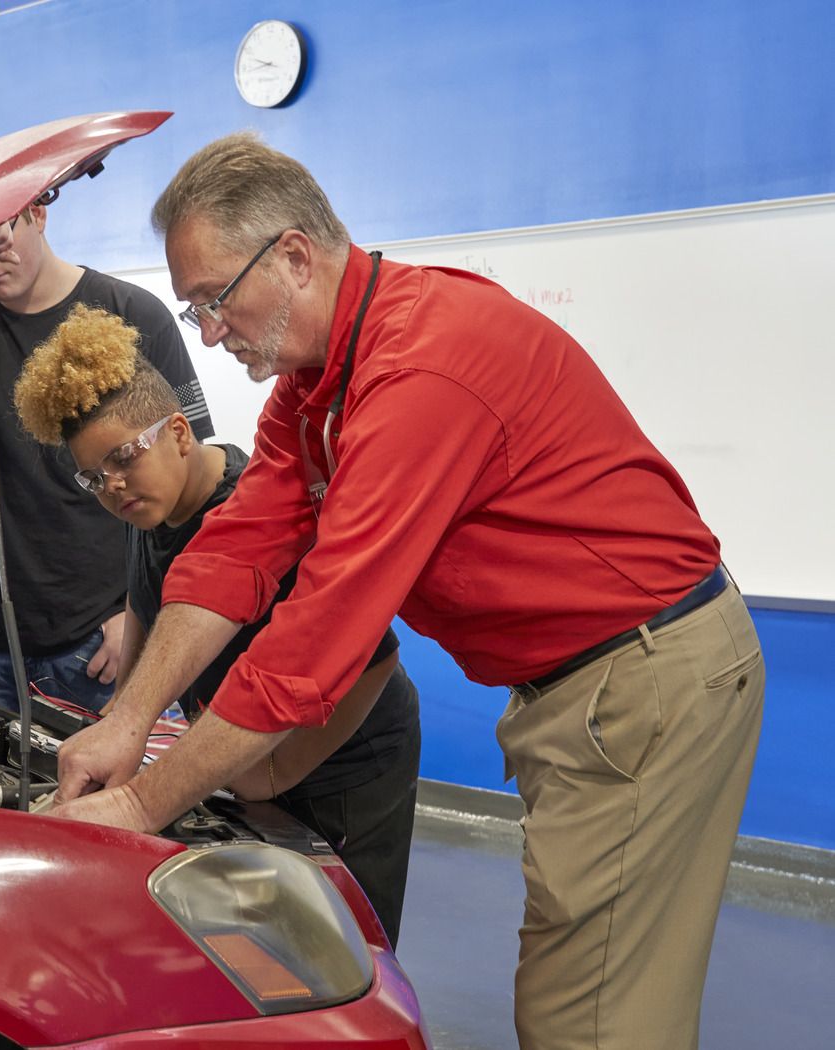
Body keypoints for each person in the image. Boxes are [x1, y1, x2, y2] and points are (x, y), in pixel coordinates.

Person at [52, 133, 764, 1050]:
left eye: (213, 302)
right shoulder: (317, 389)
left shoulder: (421, 370)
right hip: (589, 685)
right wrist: (126, 720)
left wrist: (142, 805)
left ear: (296, 256)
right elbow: (234, 552)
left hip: (643, 680)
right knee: (587, 994)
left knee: (587, 1018)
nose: (210, 333)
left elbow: (316, 639)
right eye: (196, 313)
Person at [13, 303, 421, 944]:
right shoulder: (154, 508)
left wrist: (272, 773)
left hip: (345, 761)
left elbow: (379, 658)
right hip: (243, 751)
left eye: (124, 458)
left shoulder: (254, 514)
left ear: (179, 431)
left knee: (338, 946)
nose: (113, 487)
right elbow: (148, 608)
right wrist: (125, 721)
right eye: (95, 476)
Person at [0, 129, 213, 712]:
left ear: (38, 211)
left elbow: (193, 480)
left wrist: (144, 614)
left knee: (110, 800)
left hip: (101, 635)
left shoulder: (131, 315)